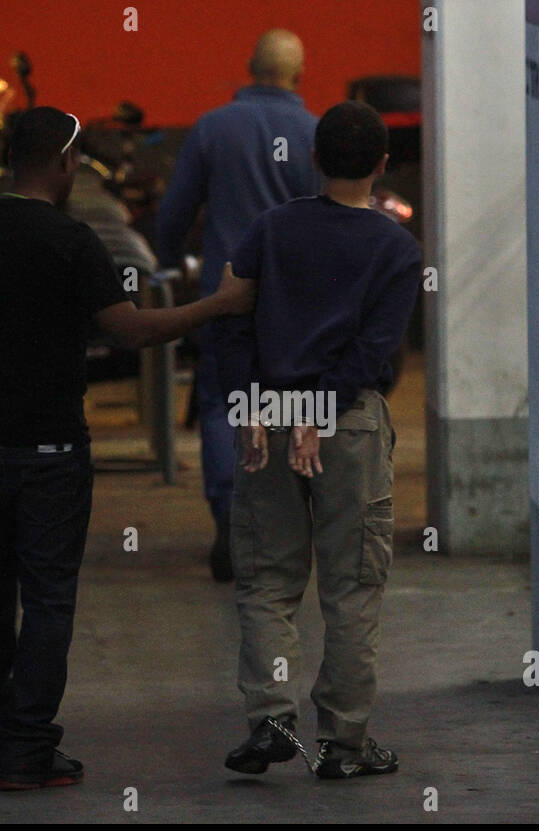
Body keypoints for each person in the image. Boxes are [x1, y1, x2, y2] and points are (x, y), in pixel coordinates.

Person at [0, 106, 255, 790]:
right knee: (48, 598)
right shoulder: (72, 242)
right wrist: (218, 306)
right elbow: (130, 332)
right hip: (50, 449)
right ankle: (27, 746)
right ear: (65, 161)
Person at [218, 101, 422, 779]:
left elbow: (232, 320)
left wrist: (251, 401)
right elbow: (374, 351)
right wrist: (322, 406)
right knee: (351, 587)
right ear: (382, 166)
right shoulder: (395, 247)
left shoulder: (270, 228)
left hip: (268, 425)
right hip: (348, 429)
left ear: (312, 158)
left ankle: (272, 718)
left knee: (267, 582)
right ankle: (343, 744)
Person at [157, 28, 321, 582]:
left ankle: (230, 523)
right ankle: (285, 528)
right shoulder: (315, 132)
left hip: (225, 300)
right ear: (300, 73)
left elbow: (174, 213)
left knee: (223, 406)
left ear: (250, 67)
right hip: (296, 307)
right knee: (295, 407)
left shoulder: (212, 128)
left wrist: (168, 260)